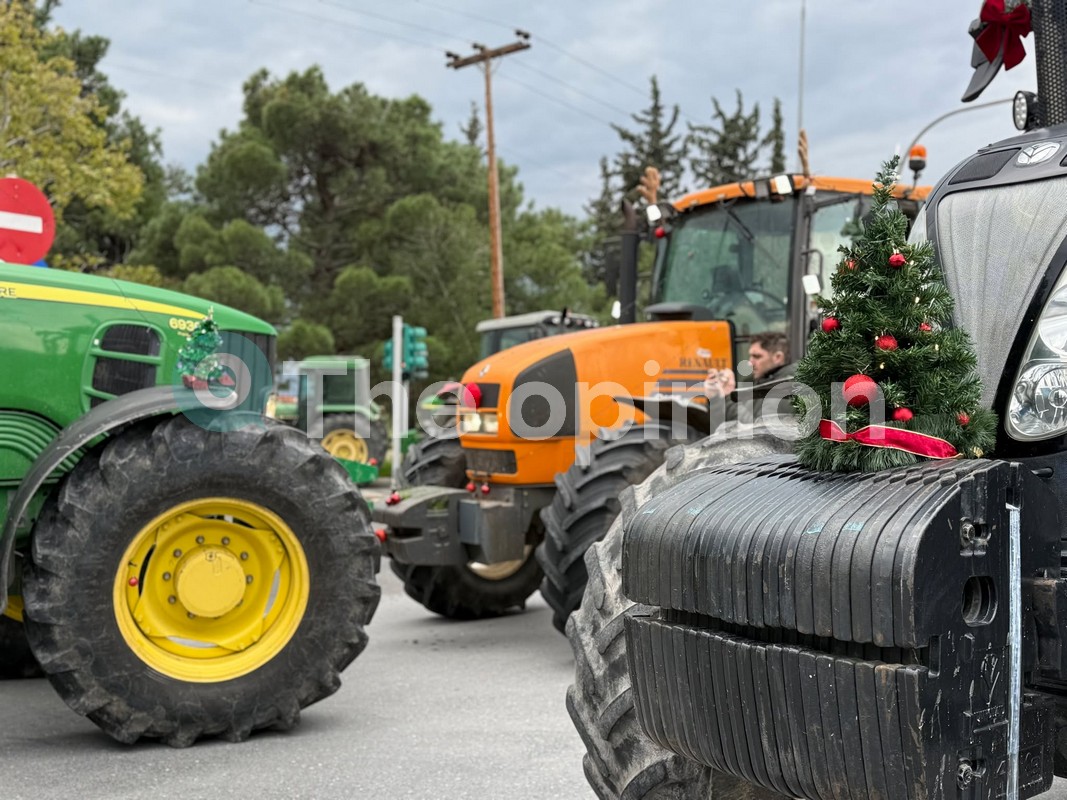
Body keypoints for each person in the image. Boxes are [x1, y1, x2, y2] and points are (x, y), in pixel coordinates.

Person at [703, 331, 794, 423]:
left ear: (778, 357)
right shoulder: (760, 382)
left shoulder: (786, 388)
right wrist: (716, 398)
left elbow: (756, 430)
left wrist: (727, 397)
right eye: (750, 356)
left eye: (757, 357)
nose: (750, 363)